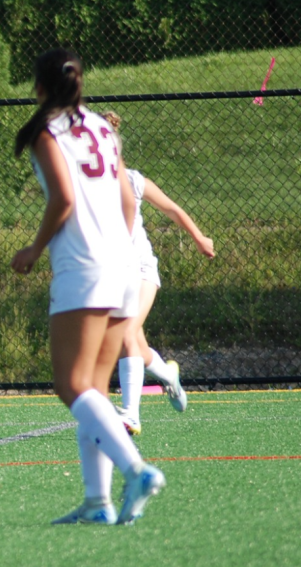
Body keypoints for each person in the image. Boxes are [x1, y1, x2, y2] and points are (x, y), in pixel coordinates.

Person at [10, 49, 164, 525]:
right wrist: (116, 246)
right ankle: (98, 502)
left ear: (39, 87)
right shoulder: (102, 126)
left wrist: (34, 250)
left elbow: (62, 198)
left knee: (71, 385)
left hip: (84, 267)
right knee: (95, 389)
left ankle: (136, 470)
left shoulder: (45, 131)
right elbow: (124, 197)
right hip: (122, 264)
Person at [101, 111, 215, 436]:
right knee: (135, 343)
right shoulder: (87, 188)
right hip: (115, 277)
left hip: (142, 272)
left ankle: (131, 415)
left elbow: (173, 209)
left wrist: (199, 238)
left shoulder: (134, 181)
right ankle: (169, 376)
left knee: (125, 335)